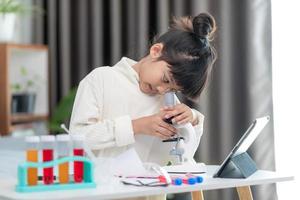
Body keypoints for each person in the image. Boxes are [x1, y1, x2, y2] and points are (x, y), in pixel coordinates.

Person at [69, 12, 216, 200]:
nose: (163, 90)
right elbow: (78, 139)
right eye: (165, 79)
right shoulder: (101, 79)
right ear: (155, 51)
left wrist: (192, 119)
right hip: (103, 193)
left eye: (173, 89)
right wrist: (136, 126)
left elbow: (183, 158)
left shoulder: (167, 99)